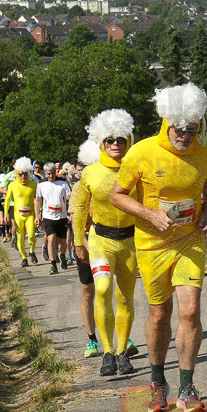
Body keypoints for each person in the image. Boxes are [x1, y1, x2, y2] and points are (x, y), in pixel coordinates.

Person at [111, 83, 207, 412]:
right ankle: (158, 382)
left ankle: (187, 387)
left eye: (192, 129)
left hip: (189, 240)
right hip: (151, 243)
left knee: (190, 311)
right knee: (160, 315)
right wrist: (149, 214)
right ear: (166, 122)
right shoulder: (141, 152)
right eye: (179, 129)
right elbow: (118, 194)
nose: (185, 135)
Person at [73, 113, 140, 376]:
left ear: (128, 141)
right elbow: (79, 209)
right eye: (109, 140)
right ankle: (107, 353)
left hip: (131, 241)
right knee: (101, 290)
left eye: (120, 140)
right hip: (101, 241)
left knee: (126, 296)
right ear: (101, 143)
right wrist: (79, 241)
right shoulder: (90, 172)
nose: (115, 144)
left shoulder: (136, 167)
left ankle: (122, 352)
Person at [73, 141, 103, 358]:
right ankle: (92, 339)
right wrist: (80, 244)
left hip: (111, 244)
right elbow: (75, 219)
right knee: (88, 293)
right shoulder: (78, 187)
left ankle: (120, 335)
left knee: (109, 292)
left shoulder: (115, 182)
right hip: (86, 243)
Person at [35, 163, 72, 275]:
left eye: (52, 174)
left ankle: (62, 256)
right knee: (51, 239)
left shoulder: (63, 182)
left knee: (62, 241)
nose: (51, 176)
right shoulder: (41, 184)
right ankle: (53, 264)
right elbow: (37, 200)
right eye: (48, 174)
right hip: (48, 216)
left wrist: (70, 211)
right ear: (45, 173)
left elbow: (70, 197)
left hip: (62, 216)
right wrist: (37, 215)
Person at [4, 158, 39, 267]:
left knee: (32, 234)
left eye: (25, 174)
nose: (23, 176)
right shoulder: (12, 185)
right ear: (17, 174)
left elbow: (38, 200)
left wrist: (39, 214)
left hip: (30, 214)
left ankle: (32, 251)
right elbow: (7, 199)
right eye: (20, 174)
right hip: (18, 215)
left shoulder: (33, 184)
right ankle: (24, 258)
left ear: (28, 173)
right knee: (20, 237)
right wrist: (6, 213)